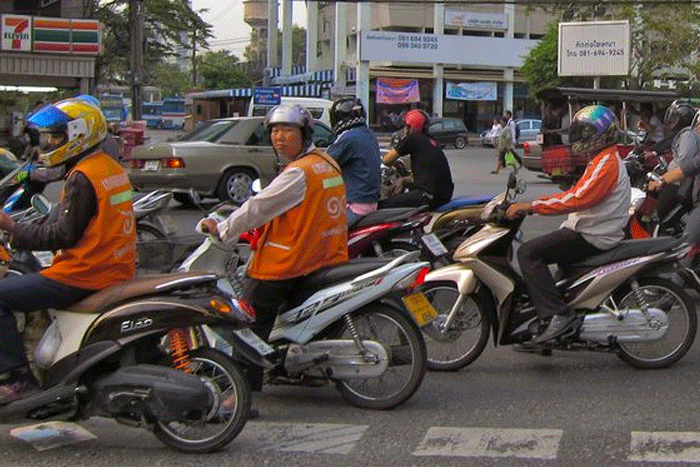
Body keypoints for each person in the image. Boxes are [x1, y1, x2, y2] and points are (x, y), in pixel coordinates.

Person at [198, 104, 348, 391]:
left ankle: (241, 391)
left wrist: (224, 229)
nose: (279, 137)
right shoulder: (325, 162)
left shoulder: (298, 173)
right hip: (324, 255)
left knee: (250, 321)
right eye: (275, 131)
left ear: (303, 134)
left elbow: (258, 207)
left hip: (289, 261)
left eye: (287, 130)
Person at [0, 97, 137, 403]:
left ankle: (19, 379)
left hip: (84, 272)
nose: (49, 143)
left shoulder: (81, 176)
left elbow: (62, 233)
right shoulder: (109, 168)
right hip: (114, 267)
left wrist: (12, 226)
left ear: (79, 134)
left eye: (56, 136)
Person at [506, 105, 631, 344]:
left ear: (602, 134)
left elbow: (577, 199)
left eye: (586, 132)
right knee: (552, 274)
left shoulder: (607, 164)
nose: (581, 137)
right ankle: (547, 329)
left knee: (529, 253)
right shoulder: (601, 159)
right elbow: (577, 193)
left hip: (592, 235)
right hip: (588, 229)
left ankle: (557, 316)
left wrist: (532, 206)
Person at [648, 108, 700, 267]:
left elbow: (688, 167)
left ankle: (676, 283)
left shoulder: (688, 137)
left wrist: (661, 181)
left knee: (687, 243)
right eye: (698, 124)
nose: (698, 128)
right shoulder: (683, 136)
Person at [380, 109, 454, 209]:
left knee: (383, 205)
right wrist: (403, 180)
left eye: (406, 126)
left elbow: (387, 160)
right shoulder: (432, 141)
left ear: (409, 127)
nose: (404, 129)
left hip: (427, 196)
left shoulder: (412, 138)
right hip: (443, 196)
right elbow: (425, 176)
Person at [326, 97, 381, 226]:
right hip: (369, 201)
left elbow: (324, 162)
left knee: (321, 232)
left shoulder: (349, 138)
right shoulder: (368, 134)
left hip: (355, 204)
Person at [646, 101, 697, 220]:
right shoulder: (682, 134)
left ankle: (659, 235)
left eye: (675, 118)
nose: (672, 121)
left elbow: (684, 165)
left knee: (659, 213)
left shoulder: (688, 136)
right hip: (673, 180)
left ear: (682, 120)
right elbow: (665, 144)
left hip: (677, 184)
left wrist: (664, 180)